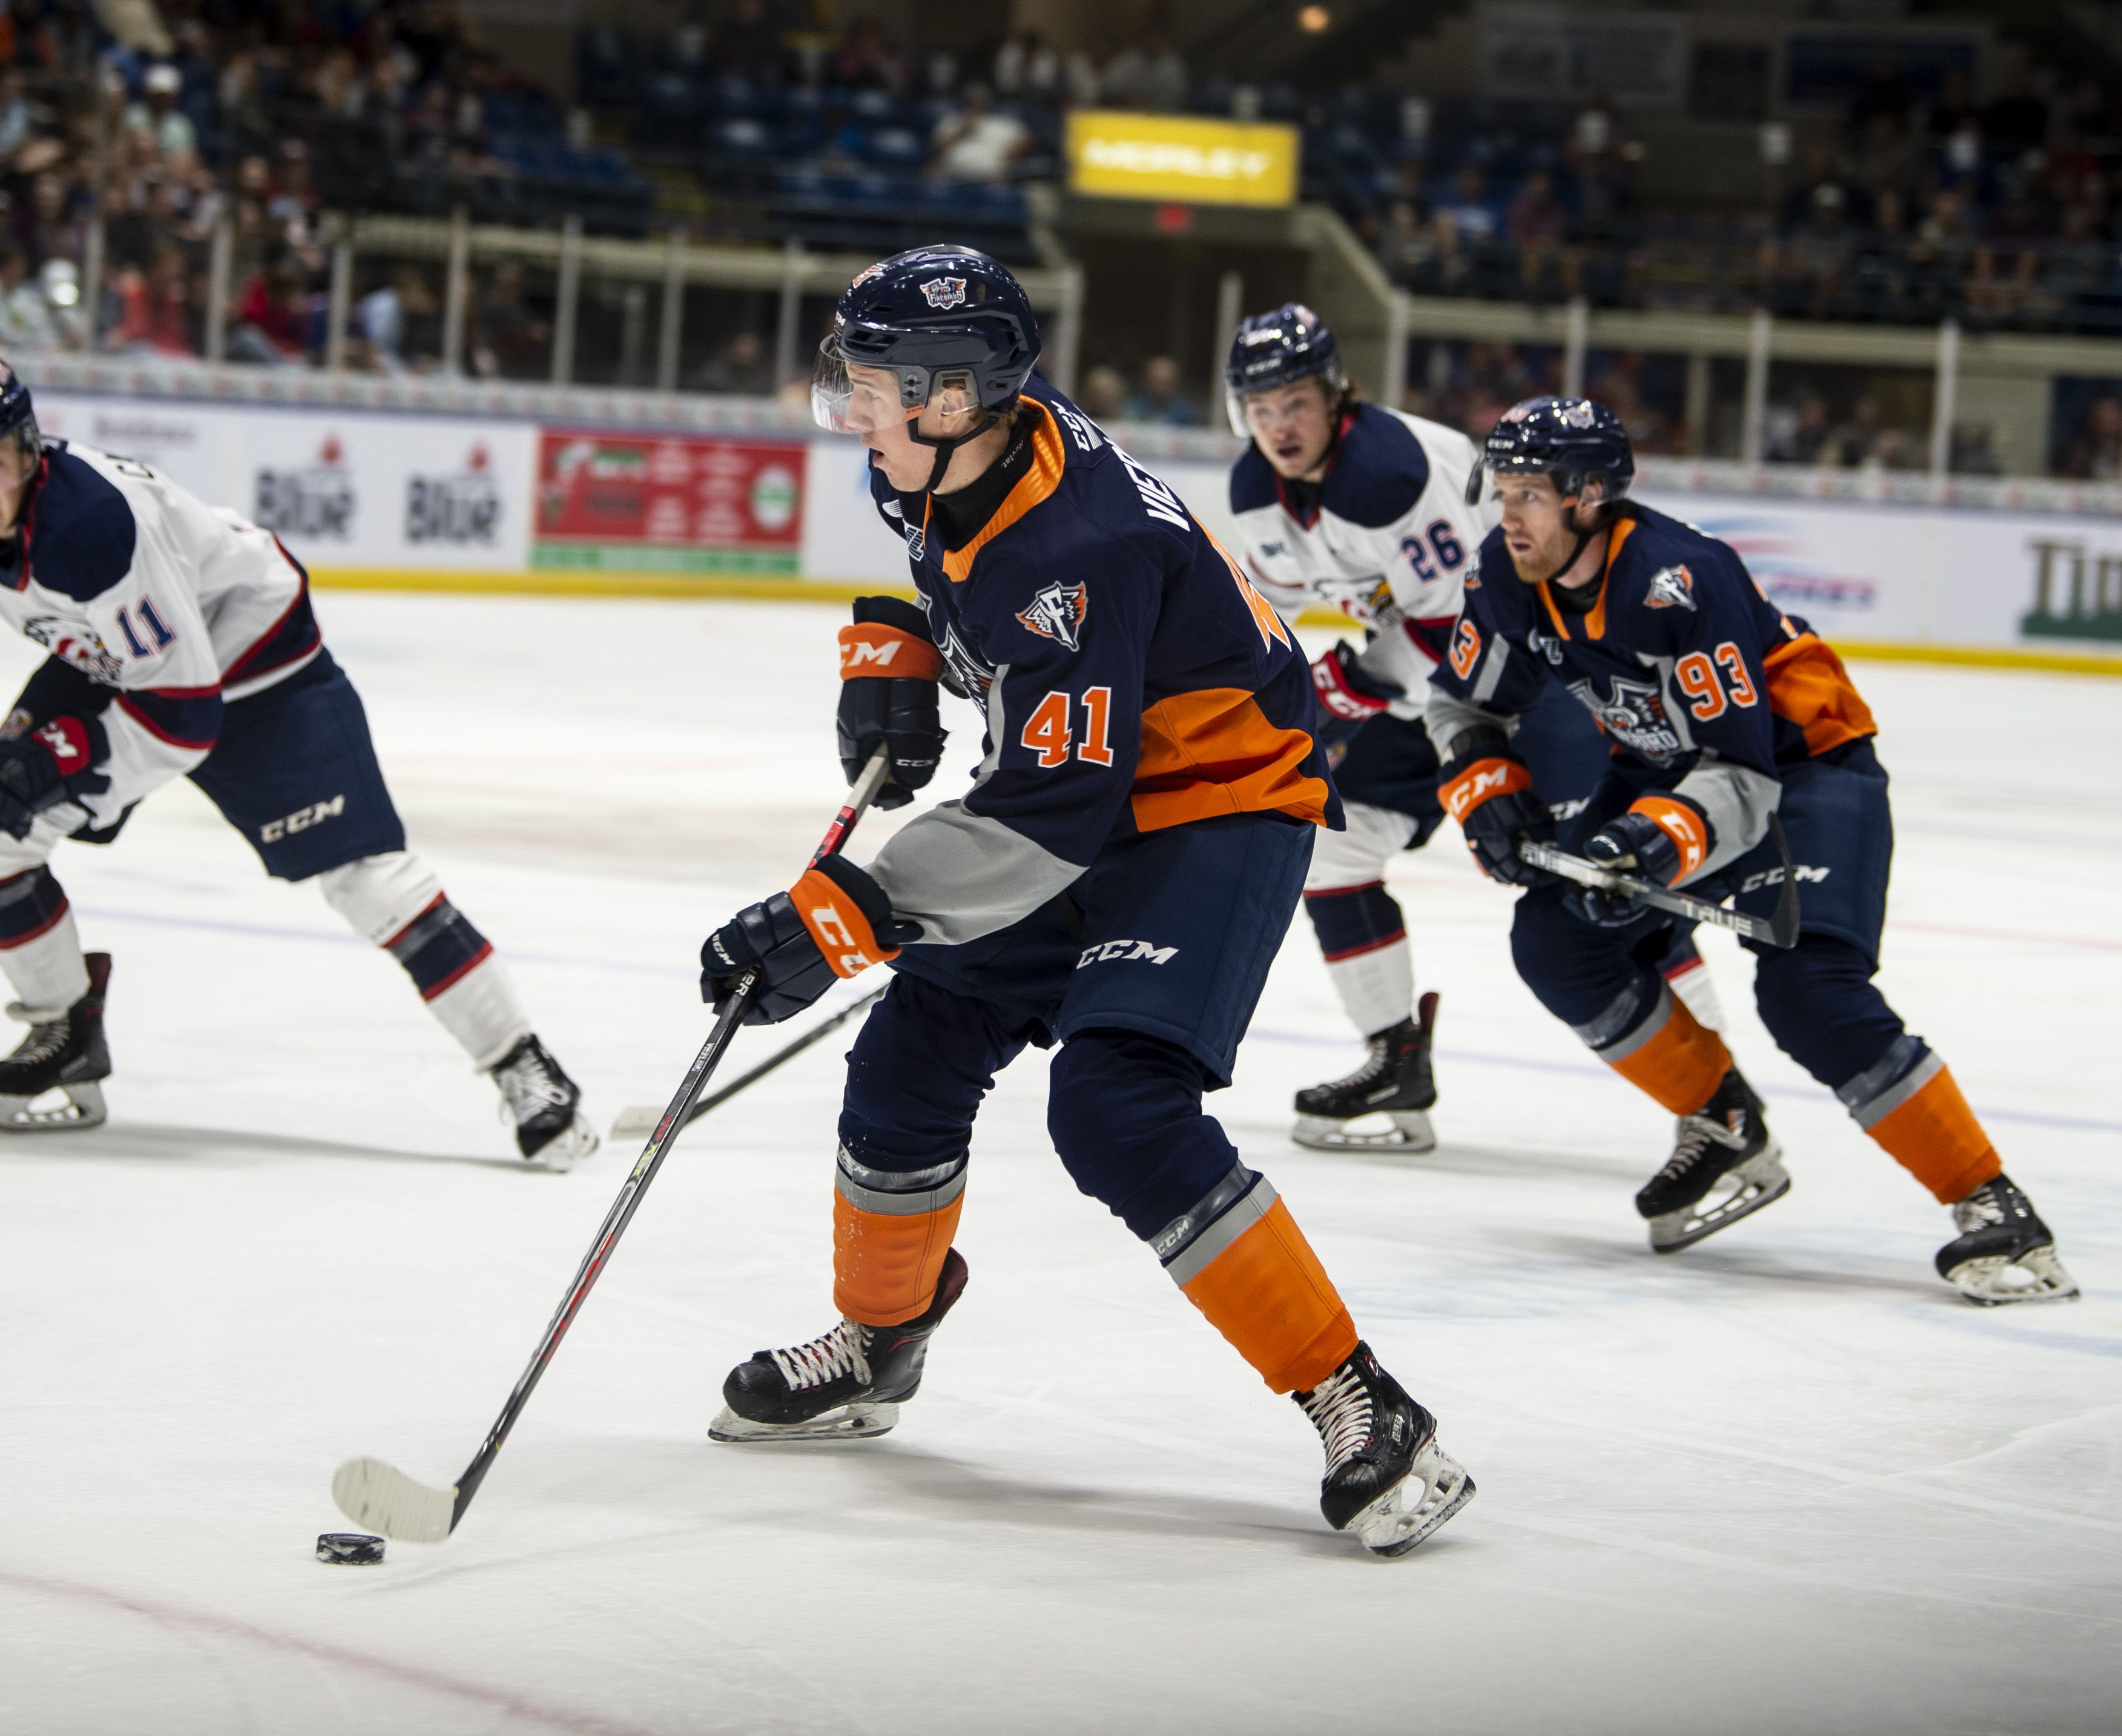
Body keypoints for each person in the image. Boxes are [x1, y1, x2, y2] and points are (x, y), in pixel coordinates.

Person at [694, 247, 1475, 1558]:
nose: (855, 413)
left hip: (1218, 803)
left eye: (876, 389)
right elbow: (969, 601)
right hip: (1096, 789)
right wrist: (891, 640)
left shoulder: (1080, 543)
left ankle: (1364, 1401)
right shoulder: (969, 453)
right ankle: (880, 1344)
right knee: (912, 1052)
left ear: (954, 396)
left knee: (1115, 1105)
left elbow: (1048, 813)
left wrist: (844, 915)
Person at [0, 355, 595, 1167]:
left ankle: (522, 1063)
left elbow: (182, 716)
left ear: (28, 451)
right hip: (118, 661)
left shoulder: (90, 527)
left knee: (369, 879)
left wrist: (67, 764)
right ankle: (64, 1026)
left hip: (257, 666)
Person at [1425, 396, 2077, 1305]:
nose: (1508, 515)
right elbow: (1460, 702)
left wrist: (1652, 841)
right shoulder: (1505, 571)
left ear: (1588, 497)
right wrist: (1484, 783)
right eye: (1502, 493)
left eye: (1528, 494)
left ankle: (1990, 1201)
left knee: (1808, 993)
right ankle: (1725, 1121)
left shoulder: (1681, 579)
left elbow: (1743, 772)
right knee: (1554, 940)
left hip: (1805, 771)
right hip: (1671, 766)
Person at [1224, 305, 1718, 1153]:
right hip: (1437, 697)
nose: (1279, 425)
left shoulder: (1386, 470)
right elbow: (1283, 615)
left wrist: (1345, 685)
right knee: (1330, 847)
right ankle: (1394, 1060)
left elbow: (1447, 627)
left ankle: (1715, 1101)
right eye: (1261, 407)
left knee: (1605, 891)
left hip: (1540, 684)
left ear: (1334, 394)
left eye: (1295, 402)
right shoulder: (1253, 489)